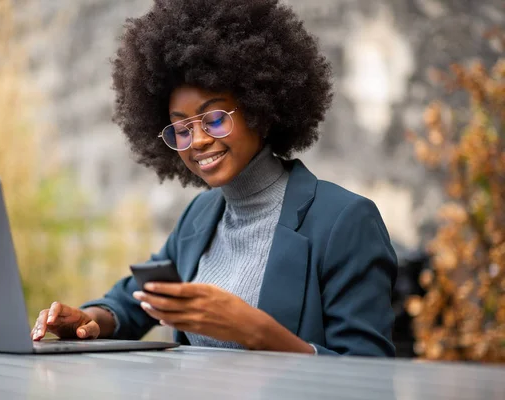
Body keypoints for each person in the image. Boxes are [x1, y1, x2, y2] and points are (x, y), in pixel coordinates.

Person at [31, 0, 398, 356]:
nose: (199, 141)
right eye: (181, 129)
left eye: (215, 118)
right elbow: (134, 300)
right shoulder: (200, 217)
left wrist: (254, 330)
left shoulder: (343, 221)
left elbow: (369, 375)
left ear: (260, 109)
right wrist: (91, 319)